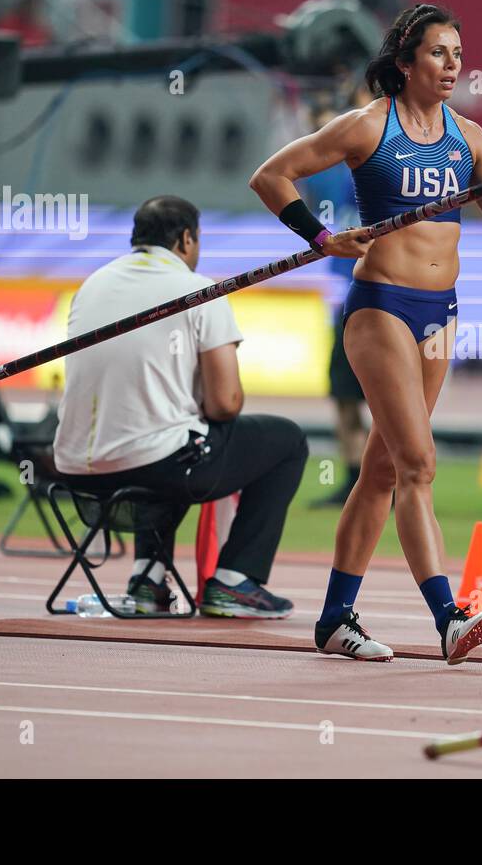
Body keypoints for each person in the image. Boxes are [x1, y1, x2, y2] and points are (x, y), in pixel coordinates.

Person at [250, 3, 482, 663]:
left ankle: (335, 618)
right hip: (381, 306)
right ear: (407, 60)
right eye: (440, 54)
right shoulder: (365, 127)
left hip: (441, 313)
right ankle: (448, 615)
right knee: (419, 463)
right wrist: (323, 238)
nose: (453, 67)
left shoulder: (468, 138)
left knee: (383, 470)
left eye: (458, 56)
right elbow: (270, 176)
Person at [52, 196, 304, 618]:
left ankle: (148, 578)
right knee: (287, 442)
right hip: (154, 468)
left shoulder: (91, 285)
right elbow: (226, 403)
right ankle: (235, 581)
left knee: (170, 428)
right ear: (186, 239)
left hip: (74, 470)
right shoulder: (198, 290)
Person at [300, 87, 370, 509]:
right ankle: (353, 478)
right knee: (343, 396)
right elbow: (305, 155)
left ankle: (391, 479)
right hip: (346, 306)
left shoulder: (386, 164)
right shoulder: (328, 174)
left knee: (386, 400)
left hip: (383, 299)